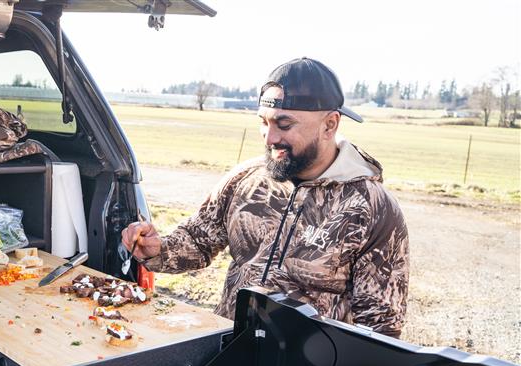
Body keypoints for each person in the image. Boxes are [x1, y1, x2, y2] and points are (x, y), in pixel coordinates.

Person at [122, 58, 409, 337]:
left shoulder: (373, 208)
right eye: (263, 122)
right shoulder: (246, 178)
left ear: (330, 124)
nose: (269, 138)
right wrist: (158, 249)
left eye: (284, 125)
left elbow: (380, 326)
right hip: (227, 346)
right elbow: (198, 241)